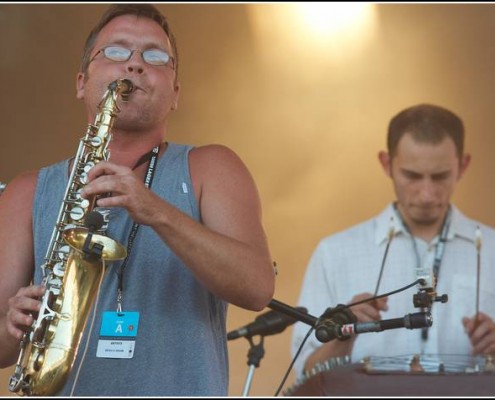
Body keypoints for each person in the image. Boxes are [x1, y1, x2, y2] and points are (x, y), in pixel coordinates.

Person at [0, 4, 275, 396]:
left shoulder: (212, 167)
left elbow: (258, 287)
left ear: (175, 92)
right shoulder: (26, 190)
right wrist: (12, 323)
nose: (134, 64)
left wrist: (155, 209)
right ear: (81, 82)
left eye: (155, 56)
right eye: (115, 52)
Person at [291, 103, 495, 380]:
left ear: (463, 165)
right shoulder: (334, 253)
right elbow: (306, 378)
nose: (426, 194)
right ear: (386, 163)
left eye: (440, 176)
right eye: (412, 175)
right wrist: (344, 334)